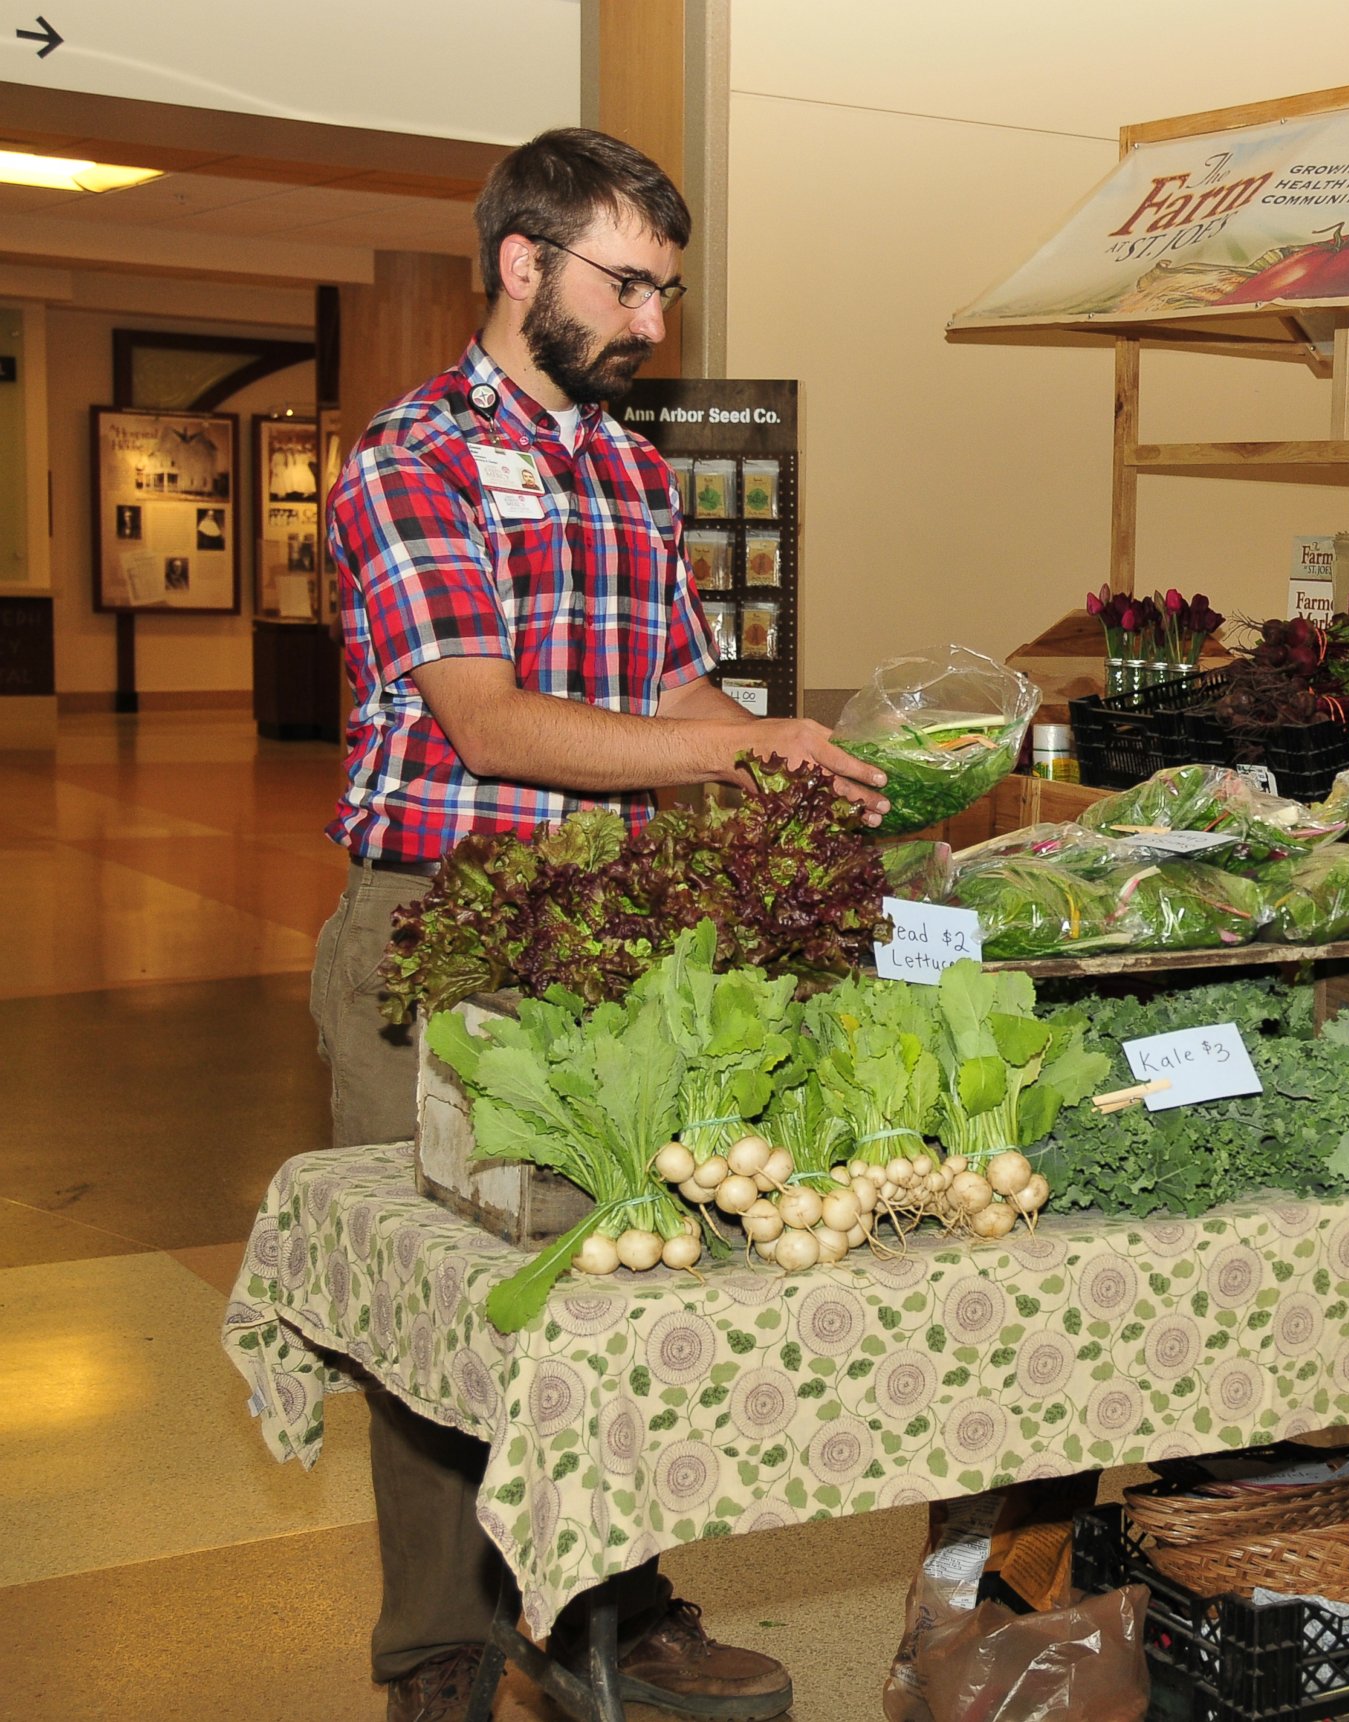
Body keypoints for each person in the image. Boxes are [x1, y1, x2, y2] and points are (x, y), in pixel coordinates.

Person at [310, 128, 885, 1722]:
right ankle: (439, 1647)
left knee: (620, 1283)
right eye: (626, 284)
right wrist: (730, 747)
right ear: (520, 264)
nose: (650, 324)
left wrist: (787, 752)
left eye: (666, 293)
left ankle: (607, 1610)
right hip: (440, 926)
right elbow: (489, 724)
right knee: (437, 1308)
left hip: (609, 931)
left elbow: (671, 693)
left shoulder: (631, 468)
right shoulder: (404, 459)